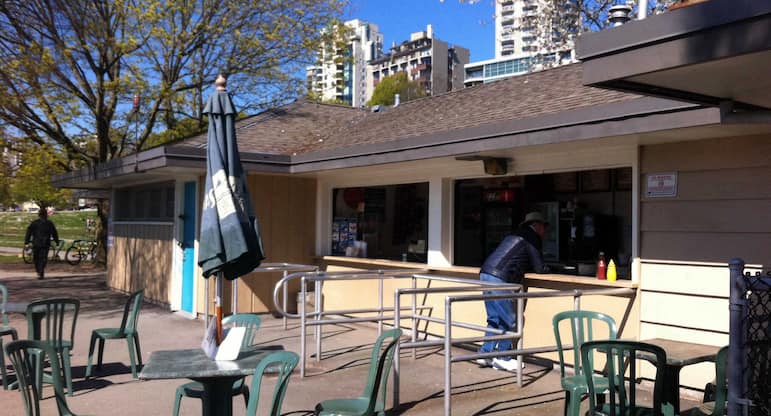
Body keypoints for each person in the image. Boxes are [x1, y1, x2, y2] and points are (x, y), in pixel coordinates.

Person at [477, 211, 549, 371]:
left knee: (494, 318)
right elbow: (539, 267)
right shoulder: (532, 237)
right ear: (537, 226)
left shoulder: (515, 234)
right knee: (510, 319)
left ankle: (485, 354)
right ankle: (503, 357)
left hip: (485, 273)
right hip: (500, 278)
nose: (545, 231)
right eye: (544, 227)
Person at [24, 209, 59, 280]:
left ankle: (39, 271)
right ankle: (40, 271)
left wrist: (27, 242)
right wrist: (56, 240)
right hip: (45, 243)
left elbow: (28, 232)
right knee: (42, 258)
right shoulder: (49, 223)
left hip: (37, 243)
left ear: (39, 215)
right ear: (46, 215)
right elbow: (54, 232)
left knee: (37, 258)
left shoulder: (35, 223)